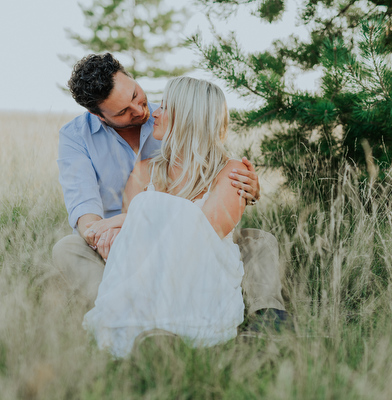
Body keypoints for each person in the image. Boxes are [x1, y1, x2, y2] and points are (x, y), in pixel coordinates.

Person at [52, 53, 289, 331]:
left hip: (198, 248)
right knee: (68, 248)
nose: (143, 112)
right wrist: (103, 233)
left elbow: (204, 222)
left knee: (260, 241)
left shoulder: (176, 114)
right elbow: (85, 210)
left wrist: (249, 187)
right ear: (98, 115)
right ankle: (123, 309)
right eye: (122, 112)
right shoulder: (78, 139)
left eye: (137, 96)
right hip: (126, 244)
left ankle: (269, 320)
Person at [83, 76, 251, 357]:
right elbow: (135, 239)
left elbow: (203, 234)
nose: (156, 112)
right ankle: (152, 336)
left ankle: (169, 331)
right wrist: (120, 228)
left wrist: (119, 219)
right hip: (146, 271)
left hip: (204, 273)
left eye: (167, 106)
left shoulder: (231, 171)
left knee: (147, 207)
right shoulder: (146, 170)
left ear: (189, 116)